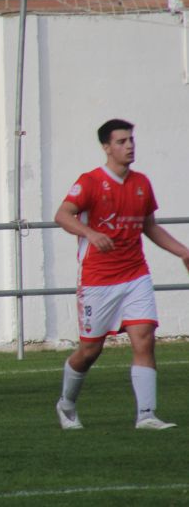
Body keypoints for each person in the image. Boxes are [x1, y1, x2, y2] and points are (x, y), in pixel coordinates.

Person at [54, 119, 189, 430]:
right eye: (121, 141)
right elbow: (62, 214)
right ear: (106, 147)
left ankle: (146, 415)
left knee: (144, 338)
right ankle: (66, 404)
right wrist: (90, 233)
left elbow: (149, 227)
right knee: (90, 351)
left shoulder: (142, 183)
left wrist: (182, 251)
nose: (129, 146)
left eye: (131, 140)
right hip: (97, 280)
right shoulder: (90, 182)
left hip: (135, 275)